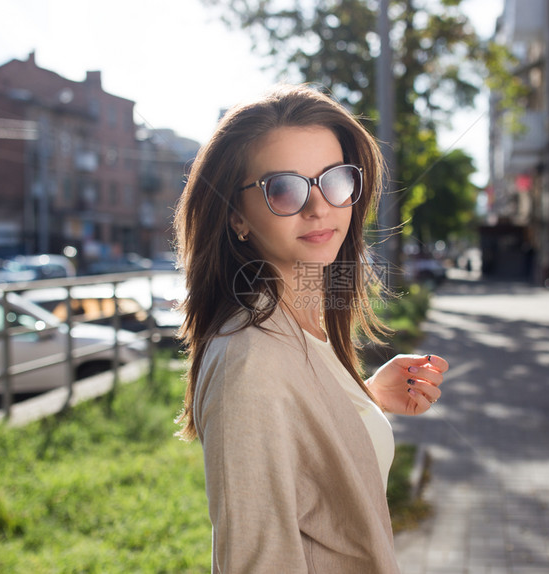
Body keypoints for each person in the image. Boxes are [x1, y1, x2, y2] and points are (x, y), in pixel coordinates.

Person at [173, 84, 448, 573]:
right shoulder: (249, 359)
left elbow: (301, 454)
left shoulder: (299, 325)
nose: (319, 206)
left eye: (336, 180)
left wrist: (366, 397)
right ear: (237, 216)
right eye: (284, 188)